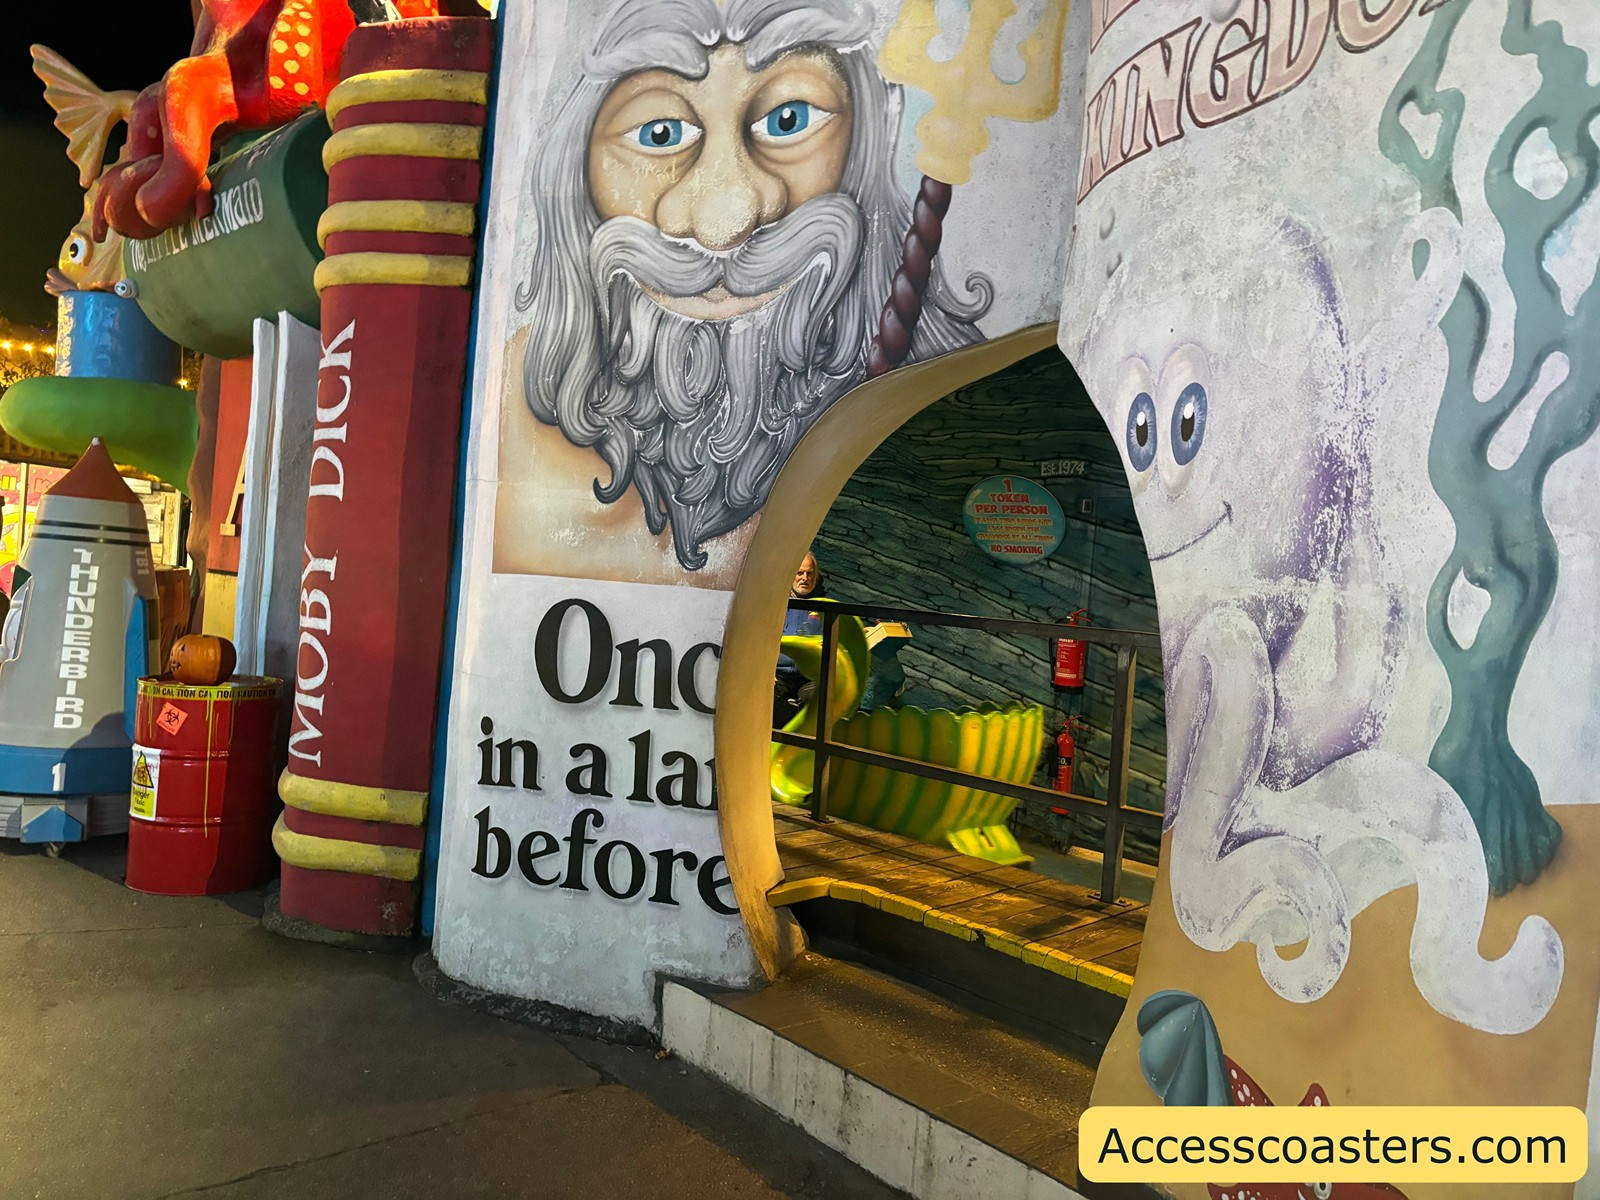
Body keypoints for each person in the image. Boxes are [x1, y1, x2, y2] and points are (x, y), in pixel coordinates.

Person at [774, 553, 826, 728]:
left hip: (810, 677)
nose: (805, 578)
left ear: (816, 576)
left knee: (818, 697)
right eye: (800, 573)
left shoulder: (827, 605)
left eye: (810, 573)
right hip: (777, 675)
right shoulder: (774, 603)